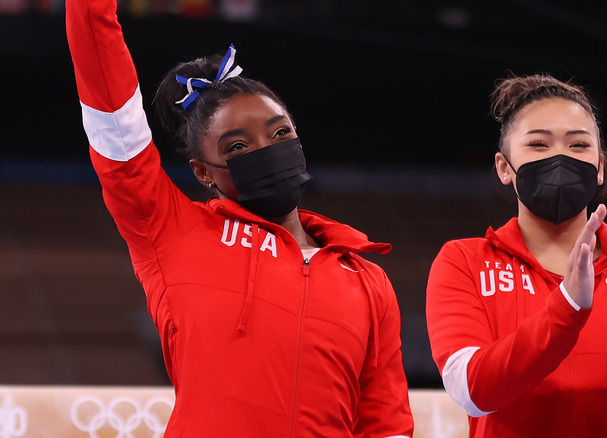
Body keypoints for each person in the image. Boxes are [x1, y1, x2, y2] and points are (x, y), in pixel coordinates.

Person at [65, 0, 414, 436]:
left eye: (280, 133)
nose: (267, 149)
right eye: (237, 147)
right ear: (203, 172)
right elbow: (114, 123)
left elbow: (385, 420)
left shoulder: (365, 278)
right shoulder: (173, 233)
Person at [425, 74, 607, 437]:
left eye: (578, 146)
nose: (559, 158)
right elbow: (473, 391)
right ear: (503, 167)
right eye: (539, 145)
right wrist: (566, 310)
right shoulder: (463, 261)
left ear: (600, 167)